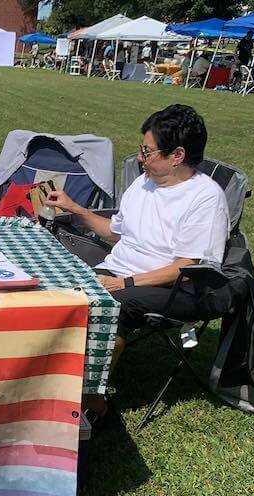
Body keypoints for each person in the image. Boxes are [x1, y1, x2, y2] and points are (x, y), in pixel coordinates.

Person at [43, 104, 228, 414]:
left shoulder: (205, 197)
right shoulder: (143, 184)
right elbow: (116, 232)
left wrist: (125, 282)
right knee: (56, 287)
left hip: (175, 288)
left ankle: (90, 401)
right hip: (118, 273)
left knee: (110, 306)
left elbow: (188, 266)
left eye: (148, 152)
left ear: (177, 155)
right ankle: (51, 381)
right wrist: (75, 208)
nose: (141, 159)